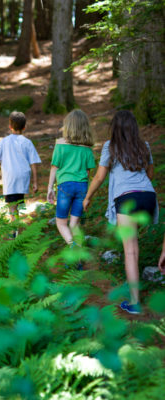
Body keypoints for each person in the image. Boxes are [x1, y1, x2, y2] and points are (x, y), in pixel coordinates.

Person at [83, 110, 158, 315]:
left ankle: (134, 302)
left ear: (114, 128)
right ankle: (132, 281)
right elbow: (150, 173)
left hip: (127, 199)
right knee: (134, 247)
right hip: (148, 197)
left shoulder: (110, 147)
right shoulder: (145, 146)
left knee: (130, 250)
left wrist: (88, 196)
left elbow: (99, 177)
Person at [47, 109, 95, 253]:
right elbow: (87, 172)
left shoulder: (60, 143)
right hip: (82, 186)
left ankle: (72, 247)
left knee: (61, 223)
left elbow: (54, 167)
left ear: (68, 126)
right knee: (75, 225)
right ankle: (78, 256)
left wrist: (50, 188)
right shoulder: (87, 148)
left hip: (65, 186)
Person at [0, 111, 41, 223]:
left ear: (10, 126)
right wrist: (35, 182)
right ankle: (18, 226)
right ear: (24, 127)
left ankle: (15, 229)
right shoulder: (27, 142)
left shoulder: (4, 142)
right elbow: (33, 163)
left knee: (12, 205)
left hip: (10, 177)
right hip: (23, 176)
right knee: (18, 202)